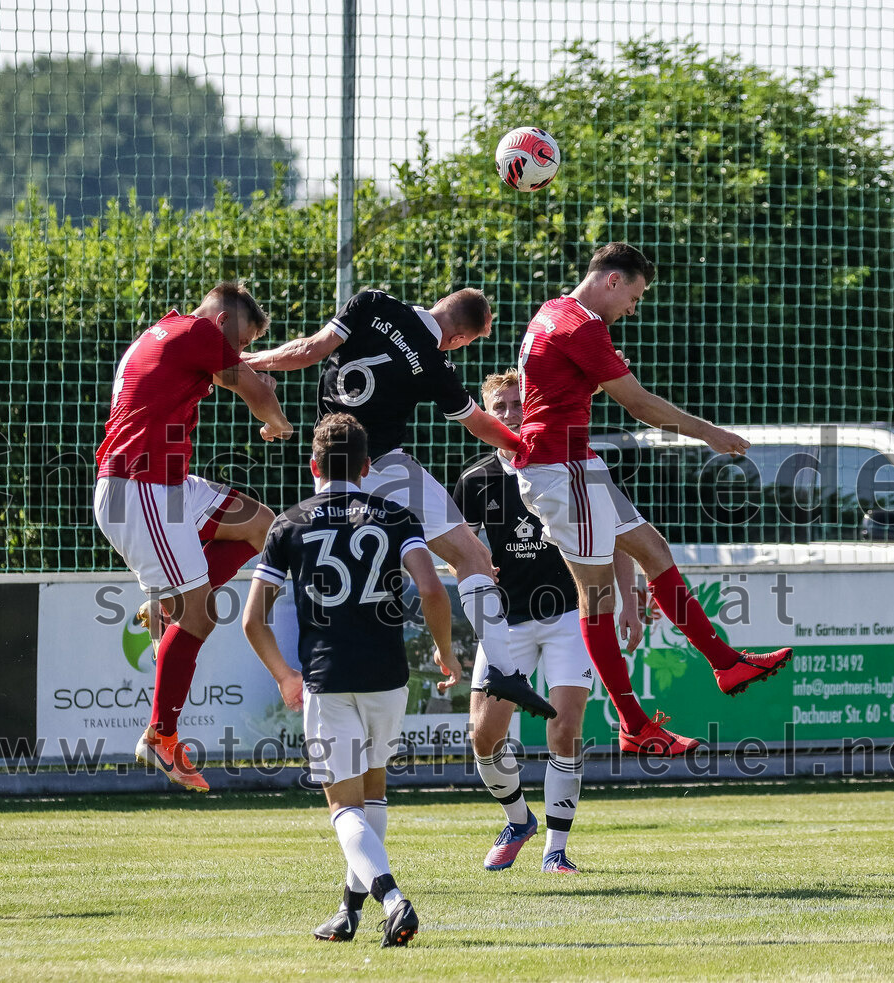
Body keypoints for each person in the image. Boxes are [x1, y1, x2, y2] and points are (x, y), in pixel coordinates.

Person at [514, 242, 793, 756]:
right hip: (561, 469)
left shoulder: (555, 310)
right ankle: (634, 723)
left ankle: (725, 663)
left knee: (654, 550)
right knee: (596, 596)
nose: (633, 310)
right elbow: (639, 404)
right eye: (634, 297)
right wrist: (707, 431)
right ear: (612, 281)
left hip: (575, 464)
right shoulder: (582, 325)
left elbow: (556, 391)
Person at [244, 287, 555, 720]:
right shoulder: (435, 362)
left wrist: (246, 362)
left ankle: (321, 679)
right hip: (382, 464)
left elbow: (309, 350)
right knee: (475, 558)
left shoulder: (373, 304)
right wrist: (525, 446)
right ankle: (502, 670)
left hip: (328, 464)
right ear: (461, 338)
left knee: (341, 579)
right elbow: (480, 423)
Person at [242, 413, 460, 947]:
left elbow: (253, 619)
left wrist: (285, 674)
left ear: (313, 464)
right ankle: (348, 912)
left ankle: (393, 900)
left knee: (343, 805)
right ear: (367, 468)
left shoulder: (288, 523)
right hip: (387, 676)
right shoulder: (394, 515)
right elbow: (432, 589)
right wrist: (445, 651)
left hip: (328, 675)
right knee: (373, 792)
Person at [93, 281, 293, 792]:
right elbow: (257, 390)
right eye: (243, 342)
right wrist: (277, 425)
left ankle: (169, 600)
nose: (239, 353)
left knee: (262, 526)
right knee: (201, 613)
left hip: (167, 485)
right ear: (224, 322)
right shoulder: (200, 332)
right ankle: (160, 736)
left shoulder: (158, 332)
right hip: (141, 490)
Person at [454, 369, 645, 873]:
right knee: (483, 735)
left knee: (565, 730)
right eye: (502, 408)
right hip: (504, 623)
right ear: (485, 417)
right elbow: (459, 555)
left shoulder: (576, 468)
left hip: (569, 616)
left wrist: (627, 600)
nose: (514, 414)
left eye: (522, 404)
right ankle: (518, 820)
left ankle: (556, 851)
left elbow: (619, 537)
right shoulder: (476, 481)